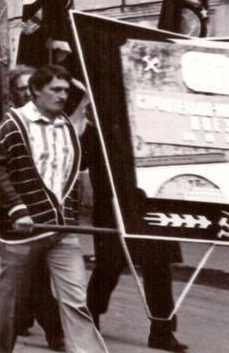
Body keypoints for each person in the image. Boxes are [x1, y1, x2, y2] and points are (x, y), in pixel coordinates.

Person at [0, 65, 106, 353]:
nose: (63, 96)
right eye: (56, 90)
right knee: (8, 307)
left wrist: (71, 213)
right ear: (36, 91)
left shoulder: (66, 126)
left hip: (62, 232)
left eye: (65, 90)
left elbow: (73, 173)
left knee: (76, 302)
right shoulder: (14, 124)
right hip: (24, 231)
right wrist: (17, 209)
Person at [86, 135, 186, 351]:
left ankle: (162, 330)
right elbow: (85, 156)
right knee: (109, 265)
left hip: (153, 200)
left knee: (159, 266)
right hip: (113, 201)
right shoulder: (105, 113)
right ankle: (89, 317)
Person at [5, 66, 65, 349]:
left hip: (48, 212)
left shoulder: (55, 122)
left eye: (31, 86)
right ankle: (53, 331)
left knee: (36, 275)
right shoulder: (11, 123)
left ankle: (27, 322)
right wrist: (15, 206)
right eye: (21, 88)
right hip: (19, 212)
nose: (27, 92)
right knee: (32, 276)